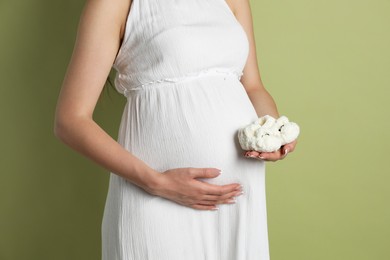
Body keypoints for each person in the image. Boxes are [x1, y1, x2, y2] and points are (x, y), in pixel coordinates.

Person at [54, 0, 298, 259]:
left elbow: (253, 87)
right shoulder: (114, 3)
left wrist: (275, 130)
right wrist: (156, 183)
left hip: (236, 199)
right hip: (155, 195)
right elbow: (70, 120)